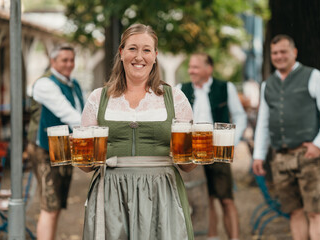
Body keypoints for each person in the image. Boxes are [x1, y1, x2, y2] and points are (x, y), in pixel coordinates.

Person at [80, 23, 196, 239]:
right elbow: (87, 166)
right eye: (132, 48)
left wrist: (196, 154)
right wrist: (78, 155)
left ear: (155, 55)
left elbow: (187, 167)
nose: (139, 56)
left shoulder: (175, 98)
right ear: (121, 52)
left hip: (162, 193)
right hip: (111, 194)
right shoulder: (98, 98)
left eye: (146, 49)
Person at [252, 34, 320, 240]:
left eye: (283, 51)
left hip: (307, 156)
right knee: (294, 212)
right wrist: (258, 155)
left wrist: (318, 144)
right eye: (275, 53)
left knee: (315, 211)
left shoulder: (313, 76)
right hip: (280, 158)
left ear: (294, 52)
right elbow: (264, 123)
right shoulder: (267, 85)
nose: (279, 56)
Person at [178, 53, 247, 240]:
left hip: (218, 150)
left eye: (195, 67)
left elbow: (240, 116)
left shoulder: (225, 87)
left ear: (209, 69)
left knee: (226, 198)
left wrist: (231, 141)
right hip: (193, 153)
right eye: (190, 67)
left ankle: (234, 238)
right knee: (204, 199)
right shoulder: (181, 89)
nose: (191, 71)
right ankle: (212, 237)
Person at [27, 45, 85, 240]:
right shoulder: (45, 84)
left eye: (71, 60)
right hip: (44, 148)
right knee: (49, 205)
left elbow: (81, 111)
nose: (69, 64)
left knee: (58, 203)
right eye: (64, 60)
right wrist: (93, 129)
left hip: (64, 148)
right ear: (53, 62)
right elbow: (68, 114)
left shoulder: (74, 83)